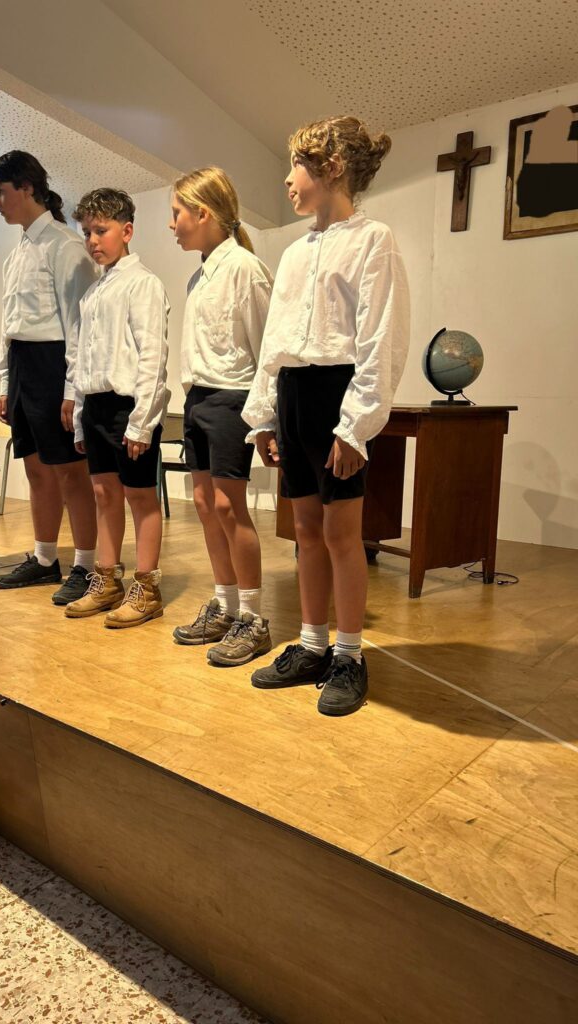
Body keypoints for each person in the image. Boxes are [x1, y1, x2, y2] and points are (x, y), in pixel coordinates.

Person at [243, 116, 410, 716]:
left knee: (342, 534)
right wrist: (264, 414)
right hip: (293, 394)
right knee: (306, 531)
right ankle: (312, 645)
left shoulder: (373, 240)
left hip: (339, 395)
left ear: (332, 167)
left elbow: (380, 338)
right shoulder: (293, 253)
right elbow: (275, 340)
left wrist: (355, 427)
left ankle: (349, 654)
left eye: (296, 166)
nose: (288, 180)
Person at [169, 167, 273, 666]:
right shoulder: (198, 275)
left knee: (230, 508)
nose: (172, 224)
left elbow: (267, 349)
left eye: (177, 213)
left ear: (203, 213)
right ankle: (226, 605)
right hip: (198, 399)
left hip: (233, 399)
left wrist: (266, 418)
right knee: (205, 504)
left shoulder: (246, 269)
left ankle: (252, 617)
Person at [0, 150, 98, 599]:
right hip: (23, 366)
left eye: (1, 191)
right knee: (35, 469)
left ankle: (86, 566)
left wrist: (72, 390)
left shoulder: (65, 245)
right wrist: (5, 382)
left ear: (27, 187)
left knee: (72, 472)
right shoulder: (16, 253)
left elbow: (79, 326)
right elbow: (9, 324)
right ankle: (45, 559)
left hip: (55, 365)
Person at [64, 188, 169, 628]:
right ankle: (106, 579)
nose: (92, 240)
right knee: (104, 495)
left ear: (126, 231)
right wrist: (81, 418)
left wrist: (142, 421)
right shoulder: (92, 293)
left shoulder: (142, 283)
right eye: (87, 232)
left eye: (101, 230)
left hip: (129, 406)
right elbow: (81, 358)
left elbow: (152, 356)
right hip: (96, 405)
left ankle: (147, 587)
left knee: (140, 497)